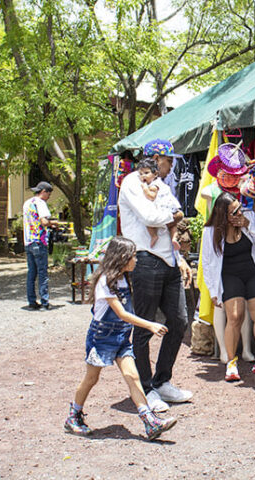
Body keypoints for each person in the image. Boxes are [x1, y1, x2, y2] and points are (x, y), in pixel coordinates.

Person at [64, 236, 177, 440]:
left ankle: (150, 421)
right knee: (91, 379)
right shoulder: (105, 281)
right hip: (102, 338)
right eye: (133, 256)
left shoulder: (124, 278)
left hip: (122, 337)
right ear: (122, 258)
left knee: (133, 376)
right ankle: (74, 416)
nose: (136, 260)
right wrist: (150, 325)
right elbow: (122, 314)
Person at [118, 139, 194, 413]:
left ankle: (162, 381)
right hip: (144, 259)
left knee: (179, 321)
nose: (171, 166)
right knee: (144, 326)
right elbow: (151, 217)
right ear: (153, 159)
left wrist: (179, 258)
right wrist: (173, 215)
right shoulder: (131, 182)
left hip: (168, 261)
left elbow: (175, 214)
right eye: (168, 160)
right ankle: (146, 388)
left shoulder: (163, 185)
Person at [201, 192, 255, 382]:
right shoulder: (211, 231)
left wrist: (248, 224)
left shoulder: (248, 217)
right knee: (235, 316)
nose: (239, 213)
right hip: (229, 274)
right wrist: (213, 291)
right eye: (234, 212)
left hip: (253, 270)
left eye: (239, 208)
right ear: (223, 215)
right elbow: (207, 262)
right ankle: (231, 362)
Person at [23, 181, 58, 310]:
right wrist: (54, 223)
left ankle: (31, 301)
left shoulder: (27, 203)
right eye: (48, 194)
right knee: (42, 273)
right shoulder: (41, 203)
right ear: (43, 192)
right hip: (39, 241)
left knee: (31, 273)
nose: (48, 197)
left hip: (28, 241)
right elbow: (43, 221)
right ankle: (44, 301)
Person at [138, 158, 181, 250]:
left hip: (163, 208)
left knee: (148, 221)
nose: (143, 176)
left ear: (155, 174)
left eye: (146, 173)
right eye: (141, 174)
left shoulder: (154, 184)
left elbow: (152, 196)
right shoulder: (159, 182)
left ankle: (154, 236)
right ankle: (174, 238)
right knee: (173, 225)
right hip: (170, 208)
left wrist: (145, 189)